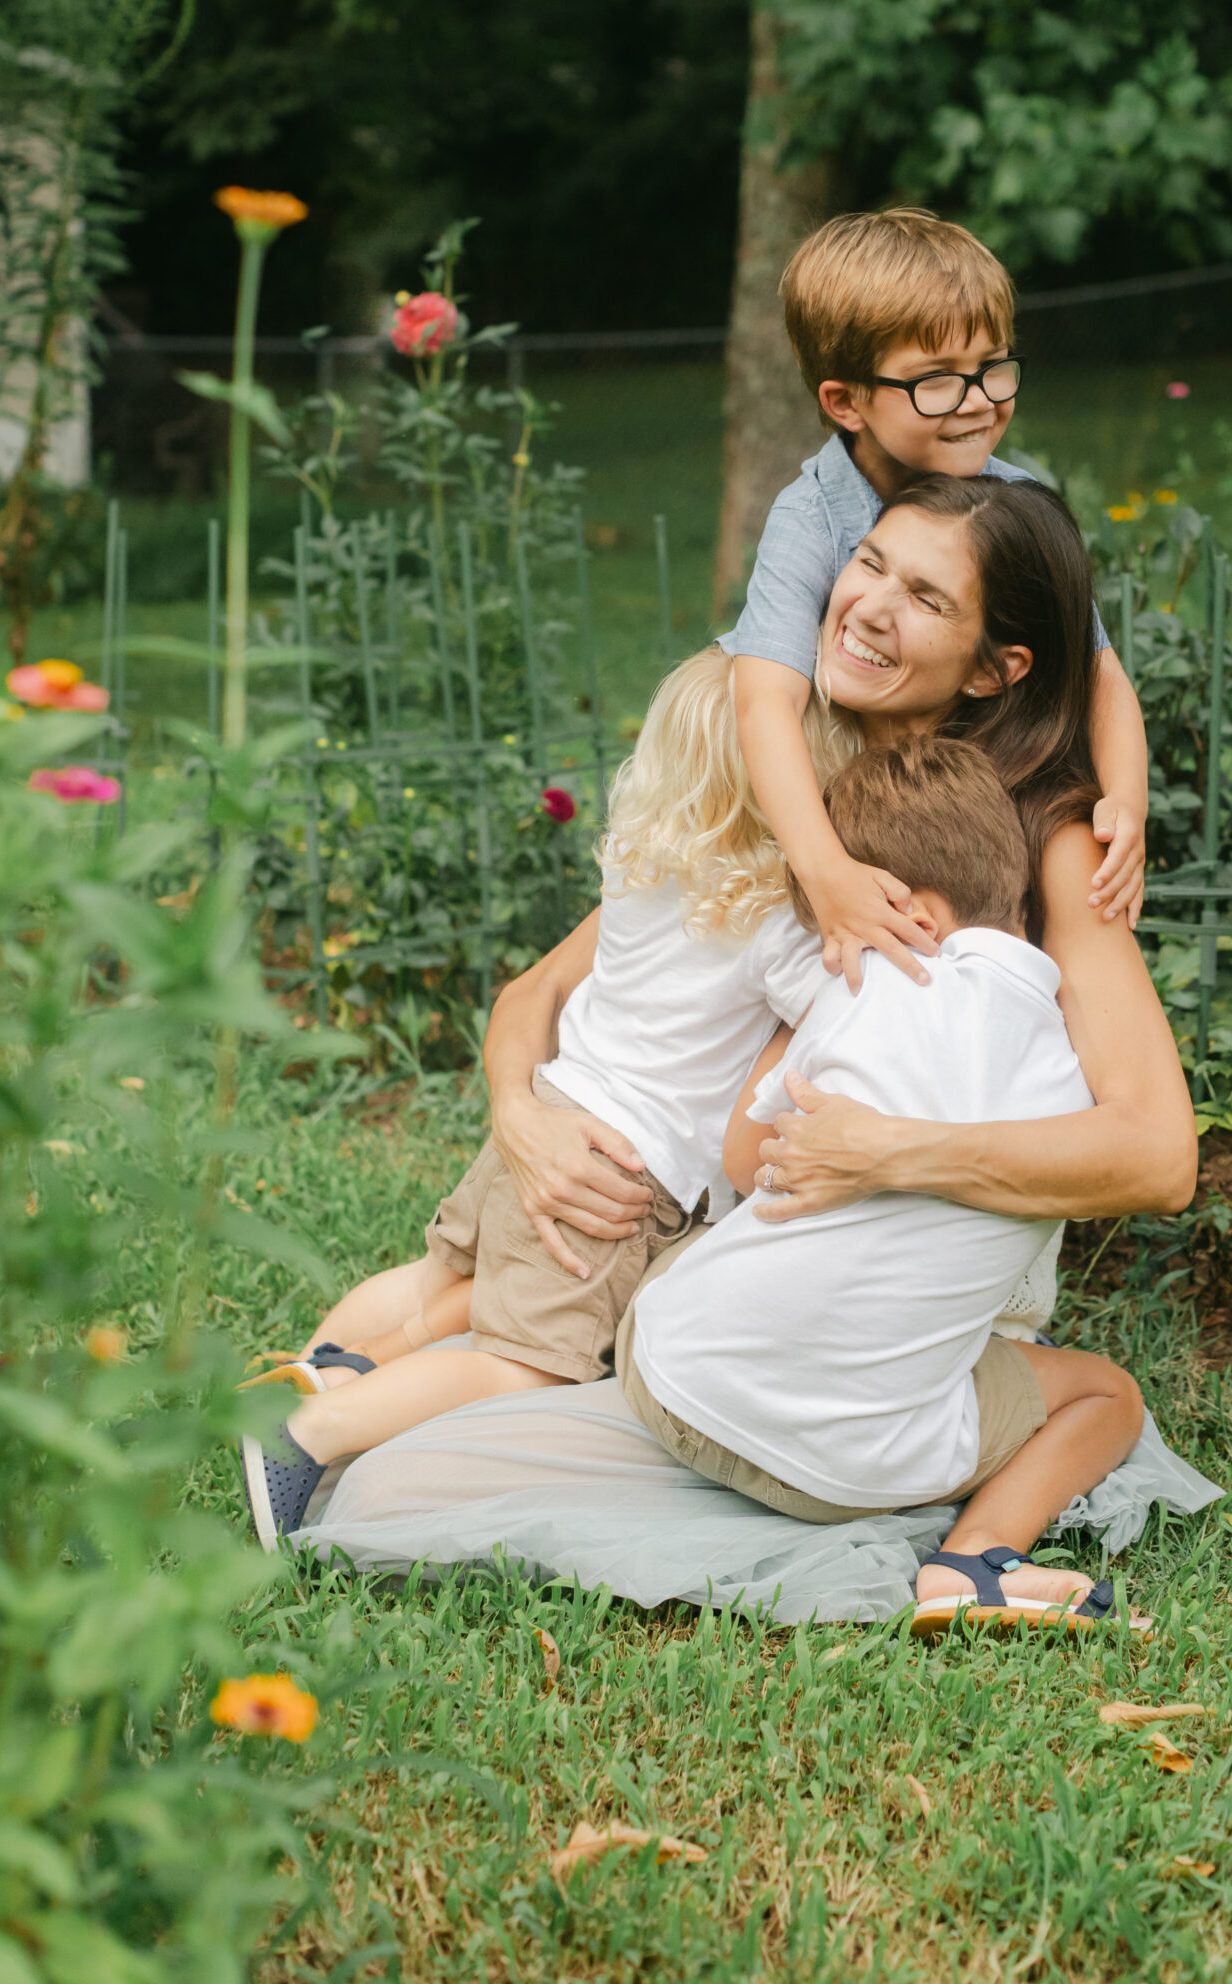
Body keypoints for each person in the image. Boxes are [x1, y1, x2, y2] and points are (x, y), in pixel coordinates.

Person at [485, 476, 1195, 1366]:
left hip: (903, 1305)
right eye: (869, 565)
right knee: (505, 1303)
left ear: (992, 667)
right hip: (739, 1242)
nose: (868, 608)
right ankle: (315, 1400)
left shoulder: (1045, 839)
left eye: (927, 598)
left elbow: (1159, 1157)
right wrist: (523, 1119)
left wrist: (889, 1153)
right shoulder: (803, 774)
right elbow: (548, 984)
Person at [238, 646, 852, 1549]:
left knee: (443, 1278)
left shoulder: (641, 869)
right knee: (527, 1370)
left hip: (547, 1107)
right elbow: (845, 1001)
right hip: (613, 1178)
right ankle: (306, 1437)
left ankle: (317, 1371)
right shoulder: (774, 926)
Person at [619, 735, 1147, 1633]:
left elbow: (746, 1160)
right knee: (1107, 1394)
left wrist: (798, 1028)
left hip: (672, 1382)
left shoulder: (865, 982)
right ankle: (977, 1557)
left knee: (713, 1245)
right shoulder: (1076, 1070)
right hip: (850, 1477)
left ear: (910, 912)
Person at [719, 208, 1149, 985]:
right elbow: (763, 704)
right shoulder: (811, 515)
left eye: (993, 366)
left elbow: (1100, 673)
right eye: (936, 380)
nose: (978, 400)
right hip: (833, 787)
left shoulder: (1011, 503)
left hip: (957, 779)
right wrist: (823, 871)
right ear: (846, 403)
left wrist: (1125, 800)